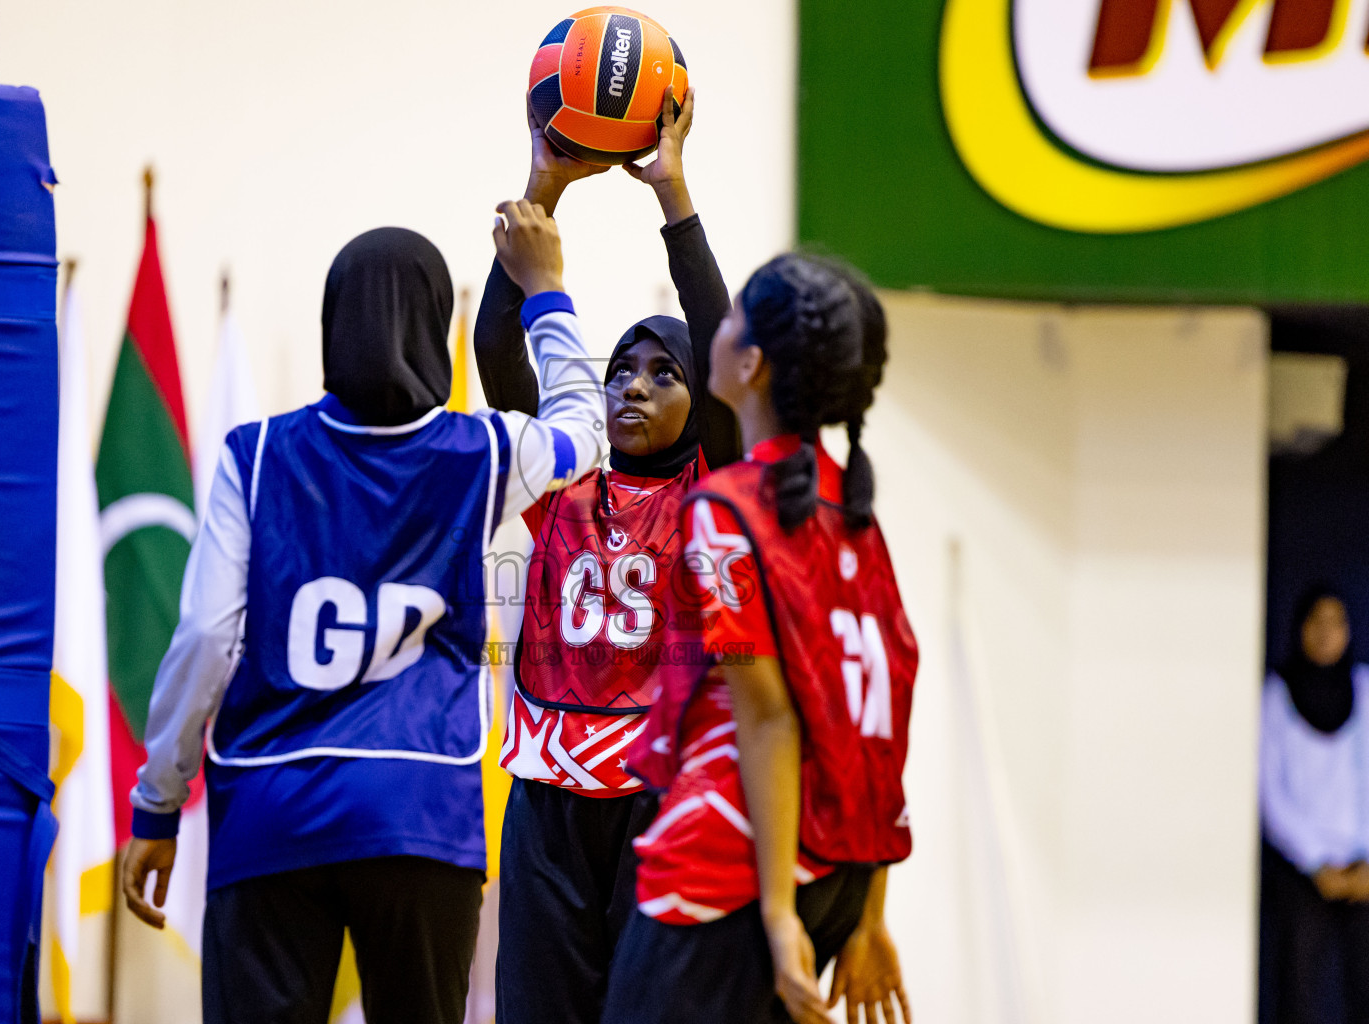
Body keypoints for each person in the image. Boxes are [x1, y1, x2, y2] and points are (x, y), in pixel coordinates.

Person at [119, 208, 605, 1024]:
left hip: (271, 814)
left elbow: (206, 636)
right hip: (423, 817)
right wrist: (546, 290)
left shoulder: (257, 454)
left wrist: (157, 802)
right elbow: (585, 429)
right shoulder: (481, 454)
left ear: (330, 324)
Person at [474, 86, 741, 1024]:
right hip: (546, 797)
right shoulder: (562, 475)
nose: (631, 387)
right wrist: (545, 184)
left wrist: (675, 195)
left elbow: (723, 343)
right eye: (619, 369)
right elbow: (501, 358)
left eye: (661, 374)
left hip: (658, 796)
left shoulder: (717, 485)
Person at [603, 253, 914, 1024]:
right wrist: (868, 908)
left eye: (733, 314)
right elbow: (878, 718)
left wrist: (776, 913)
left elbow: (768, 716)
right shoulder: (854, 517)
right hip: (836, 866)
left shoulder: (726, 512)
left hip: (730, 867)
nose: (720, 324)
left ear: (751, 364)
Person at [1260, 585, 1369, 1024]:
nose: (1326, 634)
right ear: (1301, 628)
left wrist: (1362, 864)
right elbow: (1270, 792)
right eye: (1316, 623)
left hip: (1362, 869)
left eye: (1336, 623)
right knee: (1300, 996)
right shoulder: (1277, 694)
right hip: (1302, 871)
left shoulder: (1363, 689)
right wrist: (1317, 863)